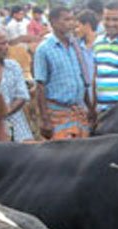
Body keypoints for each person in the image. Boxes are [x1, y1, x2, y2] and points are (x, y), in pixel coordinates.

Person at [34, 6, 91, 139]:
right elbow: (40, 86)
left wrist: (89, 107)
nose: (71, 23)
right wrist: (45, 120)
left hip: (78, 111)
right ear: (53, 22)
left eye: (72, 19)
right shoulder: (44, 49)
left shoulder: (76, 46)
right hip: (58, 112)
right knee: (61, 156)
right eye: (66, 20)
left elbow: (83, 79)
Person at [0, 27, 33, 142]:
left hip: (19, 129)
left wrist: (2, 113)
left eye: (7, 43)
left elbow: (22, 96)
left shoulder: (12, 66)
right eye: (2, 43)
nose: (7, 47)